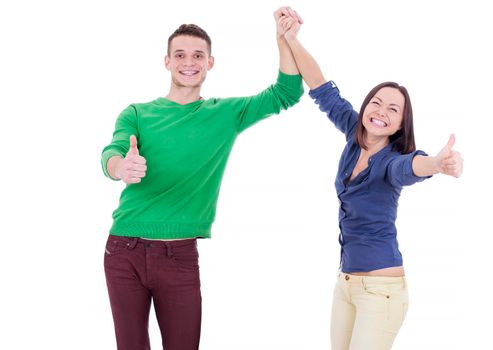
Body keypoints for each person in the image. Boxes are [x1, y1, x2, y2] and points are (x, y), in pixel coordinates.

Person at [100, 8, 303, 350]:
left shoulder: (224, 114)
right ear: (167, 61)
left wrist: (283, 39)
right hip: (124, 249)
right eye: (180, 55)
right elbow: (112, 153)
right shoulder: (136, 113)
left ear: (210, 63)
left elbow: (286, 93)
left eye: (198, 55)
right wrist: (121, 167)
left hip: (179, 255)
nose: (188, 62)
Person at [277, 13, 463, 350]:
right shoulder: (353, 134)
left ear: (399, 124)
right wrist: (291, 39)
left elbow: (410, 167)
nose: (381, 111)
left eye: (393, 109)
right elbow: (320, 87)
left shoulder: (391, 162)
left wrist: (437, 163)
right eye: (376, 102)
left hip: (382, 292)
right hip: (345, 283)